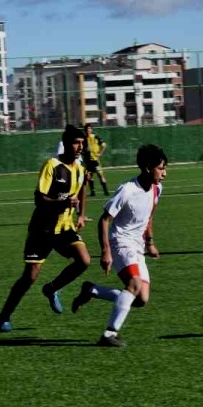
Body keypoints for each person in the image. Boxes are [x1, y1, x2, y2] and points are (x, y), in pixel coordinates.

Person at [0, 124, 90, 332]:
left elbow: (82, 188)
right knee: (30, 276)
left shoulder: (81, 169)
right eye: (76, 142)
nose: (80, 147)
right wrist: (64, 203)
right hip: (42, 229)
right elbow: (39, 199)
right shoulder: (52, 165)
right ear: (65, 144)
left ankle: (52, 288)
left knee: (84, 260)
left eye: (82, 143)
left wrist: (81, 214)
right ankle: (4, 316)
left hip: (65, 228)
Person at [72, 144, 167, 348]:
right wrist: (106, 251)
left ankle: (92, 290)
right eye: (161, 168)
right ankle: (109, 334)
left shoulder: (157, 189)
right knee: (134, 284)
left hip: (137, 245)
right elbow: (104, 220)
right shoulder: (127, 190)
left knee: (141, 299)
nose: (164, 173)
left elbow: (148, 217)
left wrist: (150, 242)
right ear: (148, 168)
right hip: (120, 242)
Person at [84, 124, 109, 197]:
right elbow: (82, 149)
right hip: (88, 161)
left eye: (89, 128)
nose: (88, 130)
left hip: (95, 160)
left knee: (100, 175)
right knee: (89, 176)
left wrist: (100, 153)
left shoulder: (95, 137)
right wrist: (84, 151)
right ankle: (93, 192)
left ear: (91, 129)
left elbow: (104, 145)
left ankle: (106, 191)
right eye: (86, 129)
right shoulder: (84, 139)